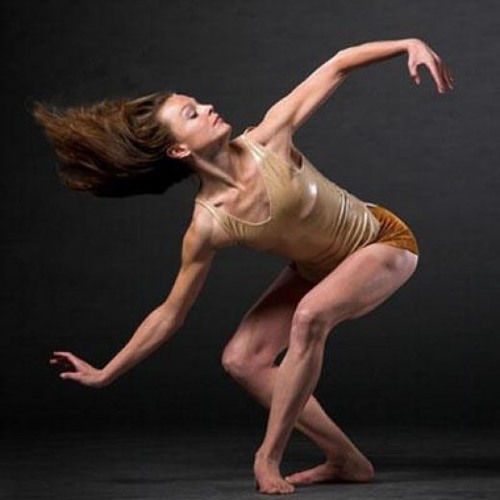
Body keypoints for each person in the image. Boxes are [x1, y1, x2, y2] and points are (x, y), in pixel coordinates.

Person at [35, 37, 453, 494]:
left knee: (310, 316)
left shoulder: (268, 139)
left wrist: (408, 44)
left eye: (198, 103)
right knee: (242, 359)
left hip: (383, 242)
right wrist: (105, 372)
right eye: (192, 113)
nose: (208, 107)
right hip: (318, 270)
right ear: (178, 150)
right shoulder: (208, 225)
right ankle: (346, 459)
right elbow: (170, 313)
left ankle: (267, 456)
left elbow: (338, 64)